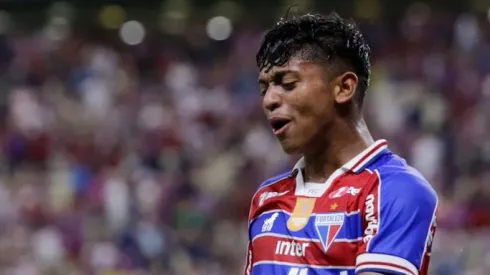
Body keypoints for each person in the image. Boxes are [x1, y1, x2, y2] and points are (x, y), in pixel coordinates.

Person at [244, 12, 438, 275]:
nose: (269, 100)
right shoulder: (267, 197)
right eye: (264, 89)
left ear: (344, 88)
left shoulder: (396, 191)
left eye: (287, 84)